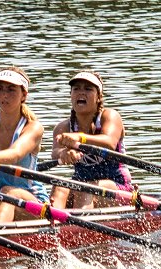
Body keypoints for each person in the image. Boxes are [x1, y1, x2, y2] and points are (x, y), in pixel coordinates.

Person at [0, 67, 49, 223]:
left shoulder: (32, 128)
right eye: (0, 89)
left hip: (32, 200)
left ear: (24, 95)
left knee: (8, 193)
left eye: (11, 90)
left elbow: (15, 154)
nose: (4, 95)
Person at [50, 71, 133, 209]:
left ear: (98, 96)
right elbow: (55, 152)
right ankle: (53, 227)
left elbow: (109, 142)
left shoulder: (109, 116)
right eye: (76, 89)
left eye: (88, 89)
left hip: (118, 186)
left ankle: (79, 229)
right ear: (71, 95)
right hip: (81, 185)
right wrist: (64, 154)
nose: (81, 92)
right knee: (59, 186)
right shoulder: (63, 127)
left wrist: (80, 138)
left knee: (86, 189)